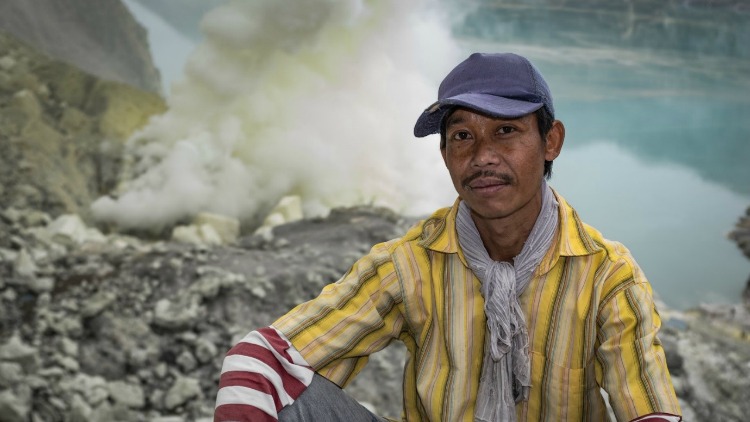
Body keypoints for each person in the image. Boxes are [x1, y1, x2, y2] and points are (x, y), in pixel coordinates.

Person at [214, 52, 682, 422]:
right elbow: (261, 359)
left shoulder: (607, 275)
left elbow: (651, 409)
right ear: (444, 154)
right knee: (276, 386)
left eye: (506, 131)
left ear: (551, 141)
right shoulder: (410, 262)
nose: (482, 157)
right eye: (462, 136)